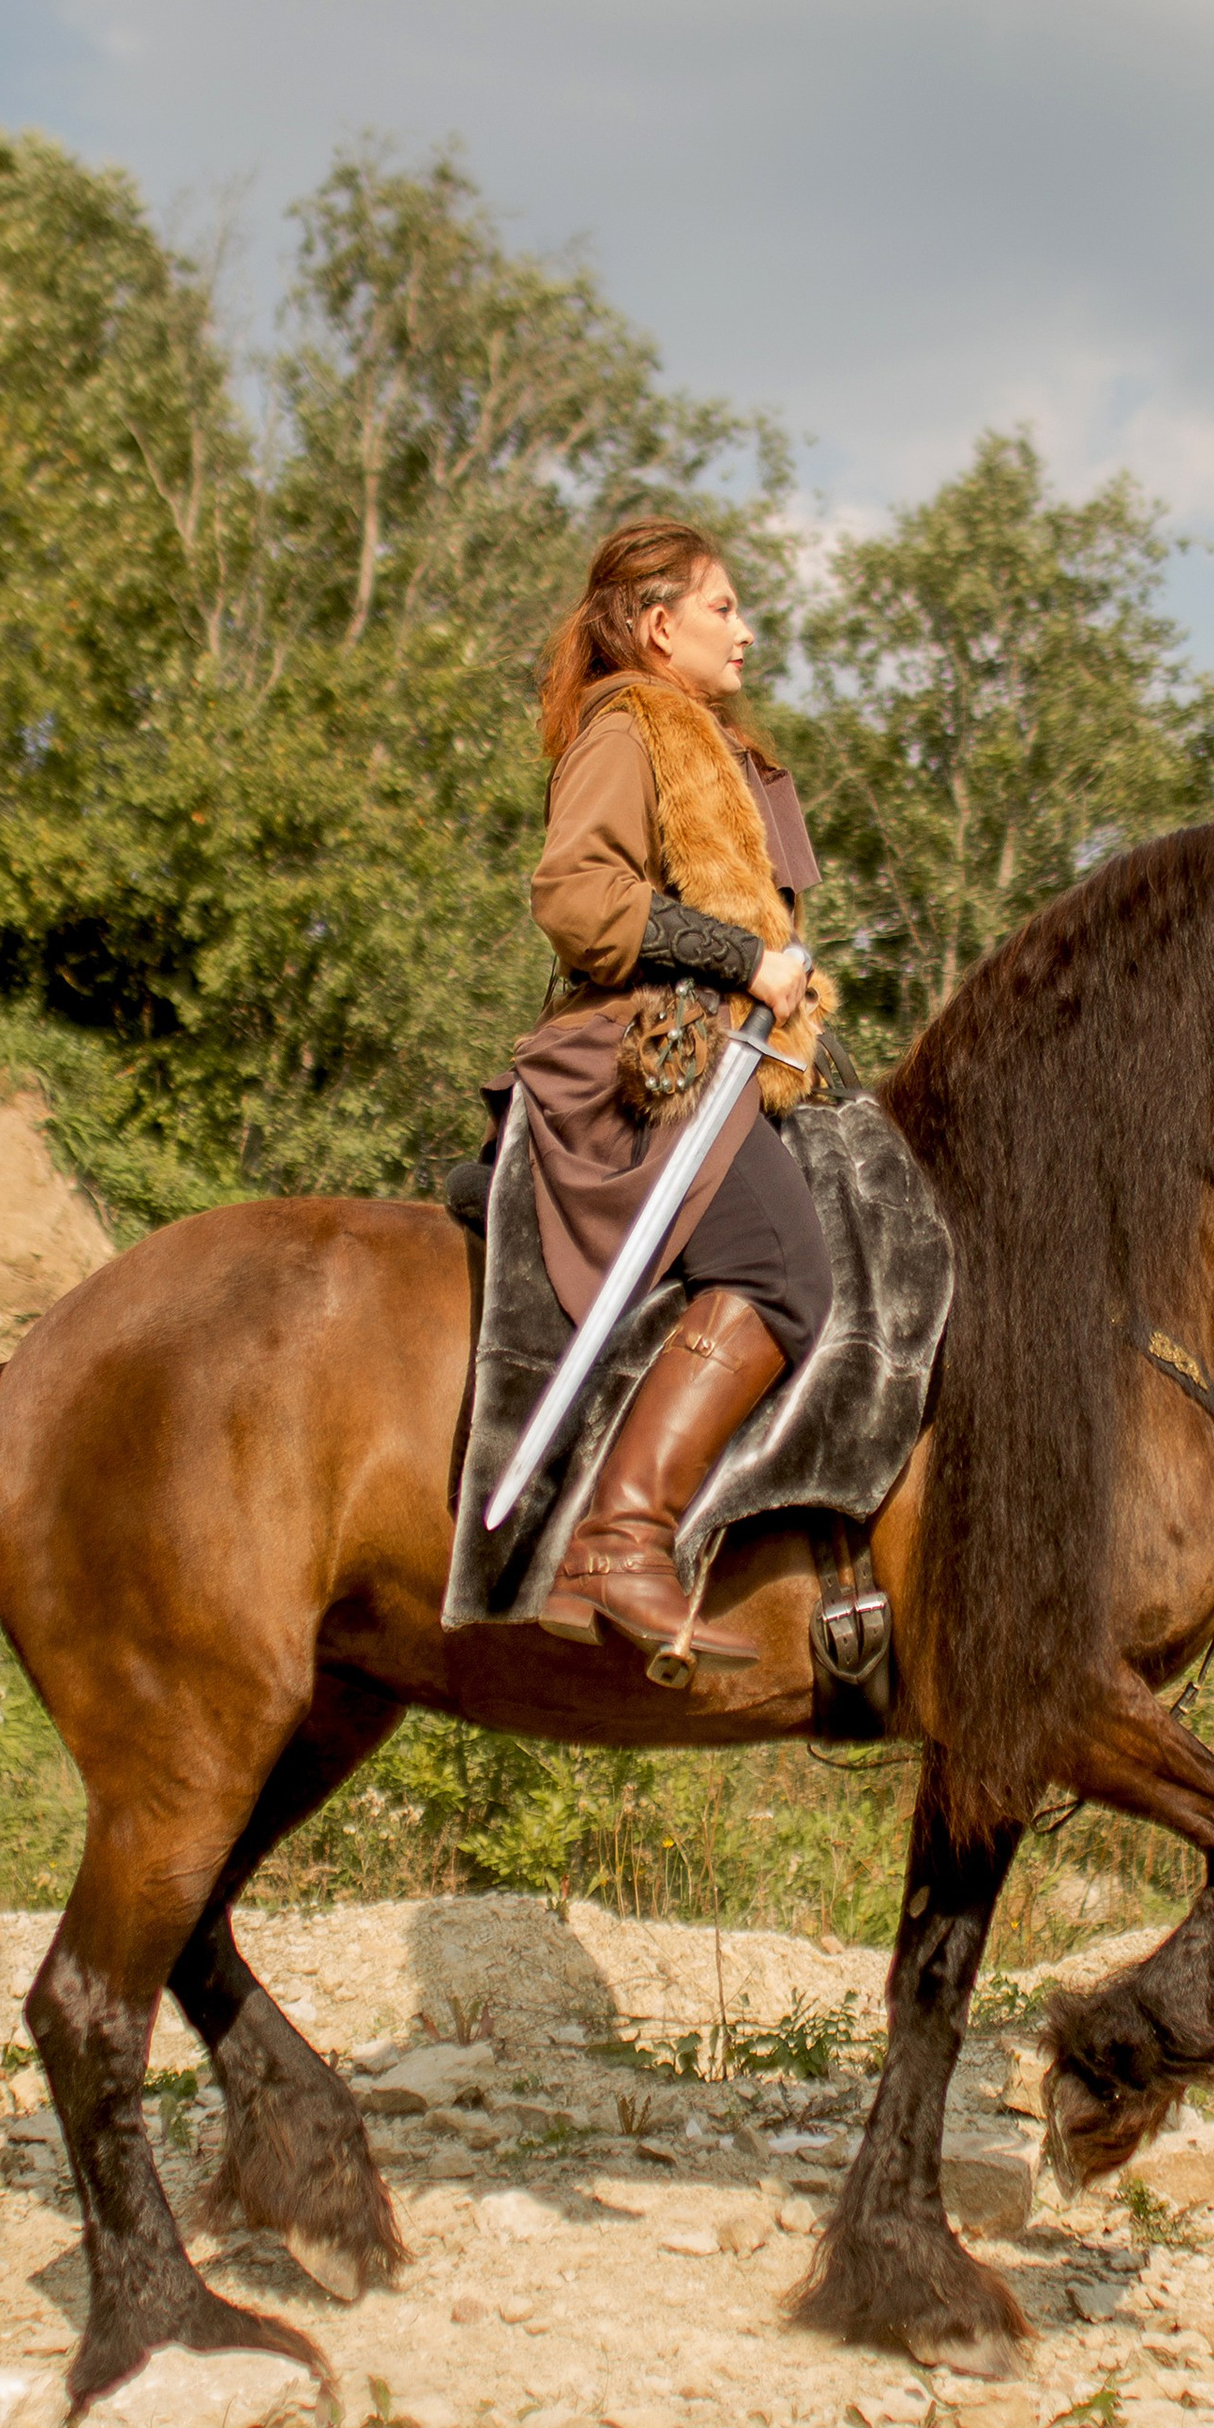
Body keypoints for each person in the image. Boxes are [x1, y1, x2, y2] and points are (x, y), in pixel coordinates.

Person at [512, 517, 837, 1673]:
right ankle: (618, 1536)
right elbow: (578, 896)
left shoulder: (716, 748)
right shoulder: (625, 726)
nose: (747, 634)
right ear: (657, 628)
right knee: (783, 1271)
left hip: (724, 1058)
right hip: (635, 1062)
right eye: (723, 609)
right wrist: (743, 959)